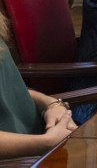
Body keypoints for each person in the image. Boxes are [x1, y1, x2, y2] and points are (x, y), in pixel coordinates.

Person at [0, 12, 77, 159]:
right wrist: (45, 143)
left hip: (39, 144)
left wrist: (50, 104)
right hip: (22, 158)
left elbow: (9, 88)